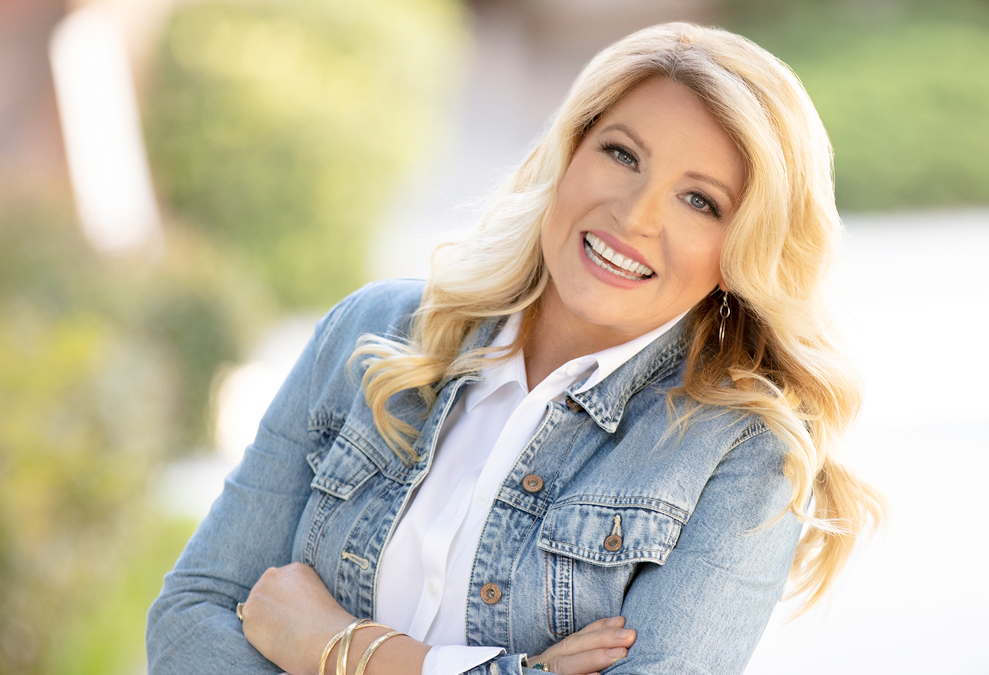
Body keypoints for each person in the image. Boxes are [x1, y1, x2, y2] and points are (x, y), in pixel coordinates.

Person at [146, 21, 883, 675]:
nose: (634, 216)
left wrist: (344, 649)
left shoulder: (744, 452)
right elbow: (187, 623)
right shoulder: (372, 332)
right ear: (568, 151)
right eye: (622, 154)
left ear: (742, 250)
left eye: (700, 201)